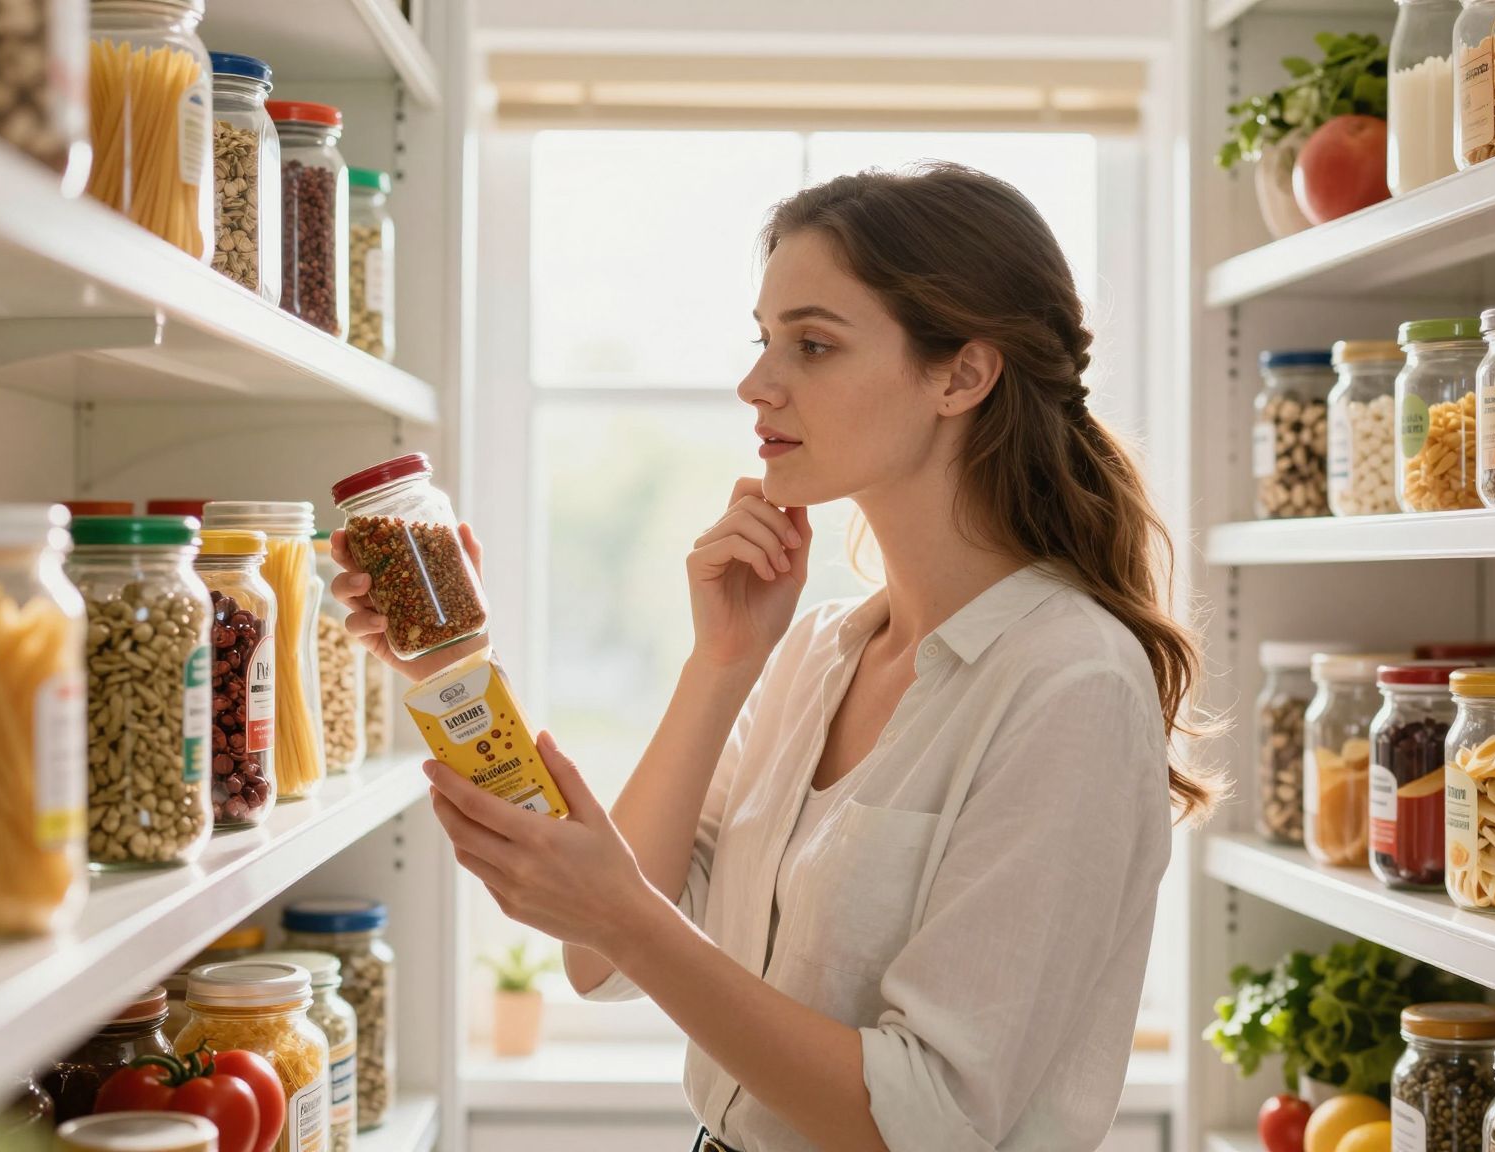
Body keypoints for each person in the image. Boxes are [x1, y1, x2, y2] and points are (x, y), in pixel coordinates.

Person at [329, 162, 1218, 1152]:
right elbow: (601, 957)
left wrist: (622, 919)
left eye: (812, 344)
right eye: (764, 341)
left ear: (961, 375)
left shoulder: (1070, 685)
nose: (755, 384)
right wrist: (462, 675)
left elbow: (926, 1122)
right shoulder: (812, 651)